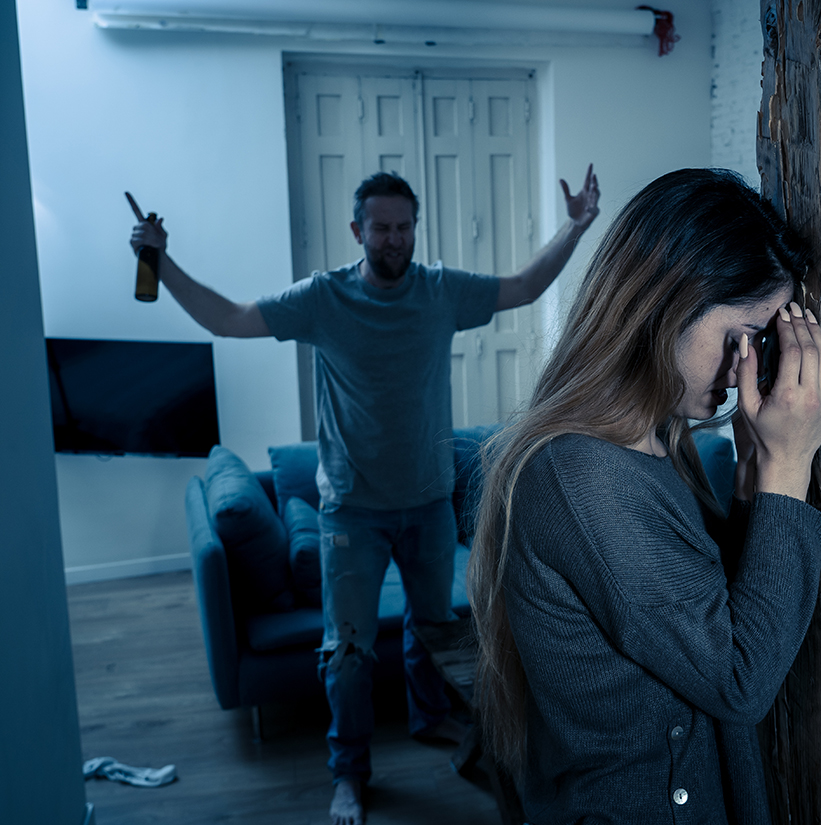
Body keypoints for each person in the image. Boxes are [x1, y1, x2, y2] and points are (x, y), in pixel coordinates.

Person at [128, 166, 600, 825]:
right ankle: (348, 771)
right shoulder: (322, 299)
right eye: (381, 228)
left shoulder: (441, 291)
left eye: (404, 227)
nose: (394, 238)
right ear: (357, 230)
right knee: (347, 652)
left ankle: (429, 718)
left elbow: (524, 286)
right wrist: (161, 260)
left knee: (431, 631)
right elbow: (229, 319)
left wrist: (576, 226)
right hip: (351, 511)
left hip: (430, 504)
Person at [468, 167, 821, 824]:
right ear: (667, 305)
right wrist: (790, 464)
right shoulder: (583, 475)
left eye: (757, 344)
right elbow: (738, 678)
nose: (744, 368)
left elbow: (704, 608)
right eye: (738, 336)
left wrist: (754, 474)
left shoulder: (657, 438)